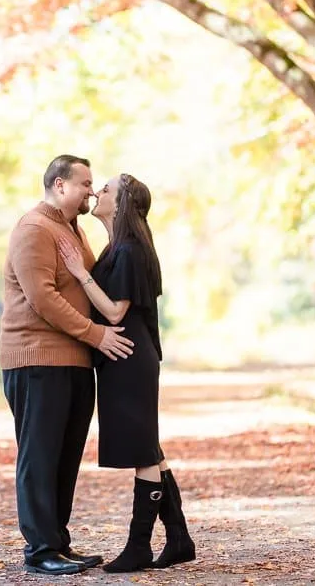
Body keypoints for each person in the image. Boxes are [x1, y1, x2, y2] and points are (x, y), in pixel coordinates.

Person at [0, 155, 135, 576]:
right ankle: (40, 550)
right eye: (85, 184)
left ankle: (57, 542)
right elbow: (42, 299)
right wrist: (97, 335)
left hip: (73, 361)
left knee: (64, 455)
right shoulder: (35, 230)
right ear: (60, 185)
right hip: (37, 360)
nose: (92, 191)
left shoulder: (71, 230)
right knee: (40, 456)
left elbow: (93, 282)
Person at [58, 173, 196, 573]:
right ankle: (178, 537)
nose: (98, 192)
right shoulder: (118, 247)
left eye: (106, 190)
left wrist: (78, 273)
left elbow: (116, 311)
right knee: (148, 446)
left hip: (129, 356)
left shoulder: (130, 250)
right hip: (126, 355)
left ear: (121, 204)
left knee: (141, 452)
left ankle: (139, 547)